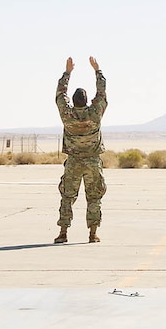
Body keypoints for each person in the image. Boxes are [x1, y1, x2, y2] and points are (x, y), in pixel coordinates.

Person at [54, 54, 107, 243]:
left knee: (67, 197)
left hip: (74, 162)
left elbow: (60, 95)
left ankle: (63, 233)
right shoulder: (95, 114)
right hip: (92, 161)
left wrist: (67, 72)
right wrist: (97, 71)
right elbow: (101, 94)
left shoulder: (67, 115)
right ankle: (93, 234)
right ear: (86, 101)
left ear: (73, 102)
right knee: (94, 198)